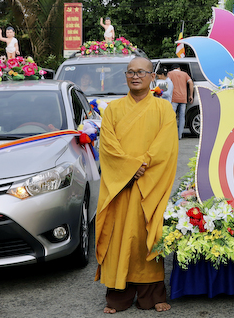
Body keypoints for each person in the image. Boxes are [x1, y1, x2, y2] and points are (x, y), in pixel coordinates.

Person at [95, 57, 178, 313]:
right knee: (118, 236)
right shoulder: (113, 109)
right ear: (126, 76)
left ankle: (152, 295)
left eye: (141, 72)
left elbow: (166, 145)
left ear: (152, 76)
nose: (135, 76)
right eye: (130, 72)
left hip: (148, 184)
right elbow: (108, 147)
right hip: (121, 185)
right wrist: (130, 168)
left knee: (147, 236)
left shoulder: (164, 109)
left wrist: (142, 166)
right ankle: (118, 296)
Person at [167, 65, 193, 139]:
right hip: (183, 98)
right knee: (182, 116)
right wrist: (191, 95)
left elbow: (167, 83)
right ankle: (179, 135)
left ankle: (171, 134)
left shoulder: (170, 73)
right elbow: (191, 83)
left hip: (174, 98)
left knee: (172, 116)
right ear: (179, 68)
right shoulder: (185, 74)